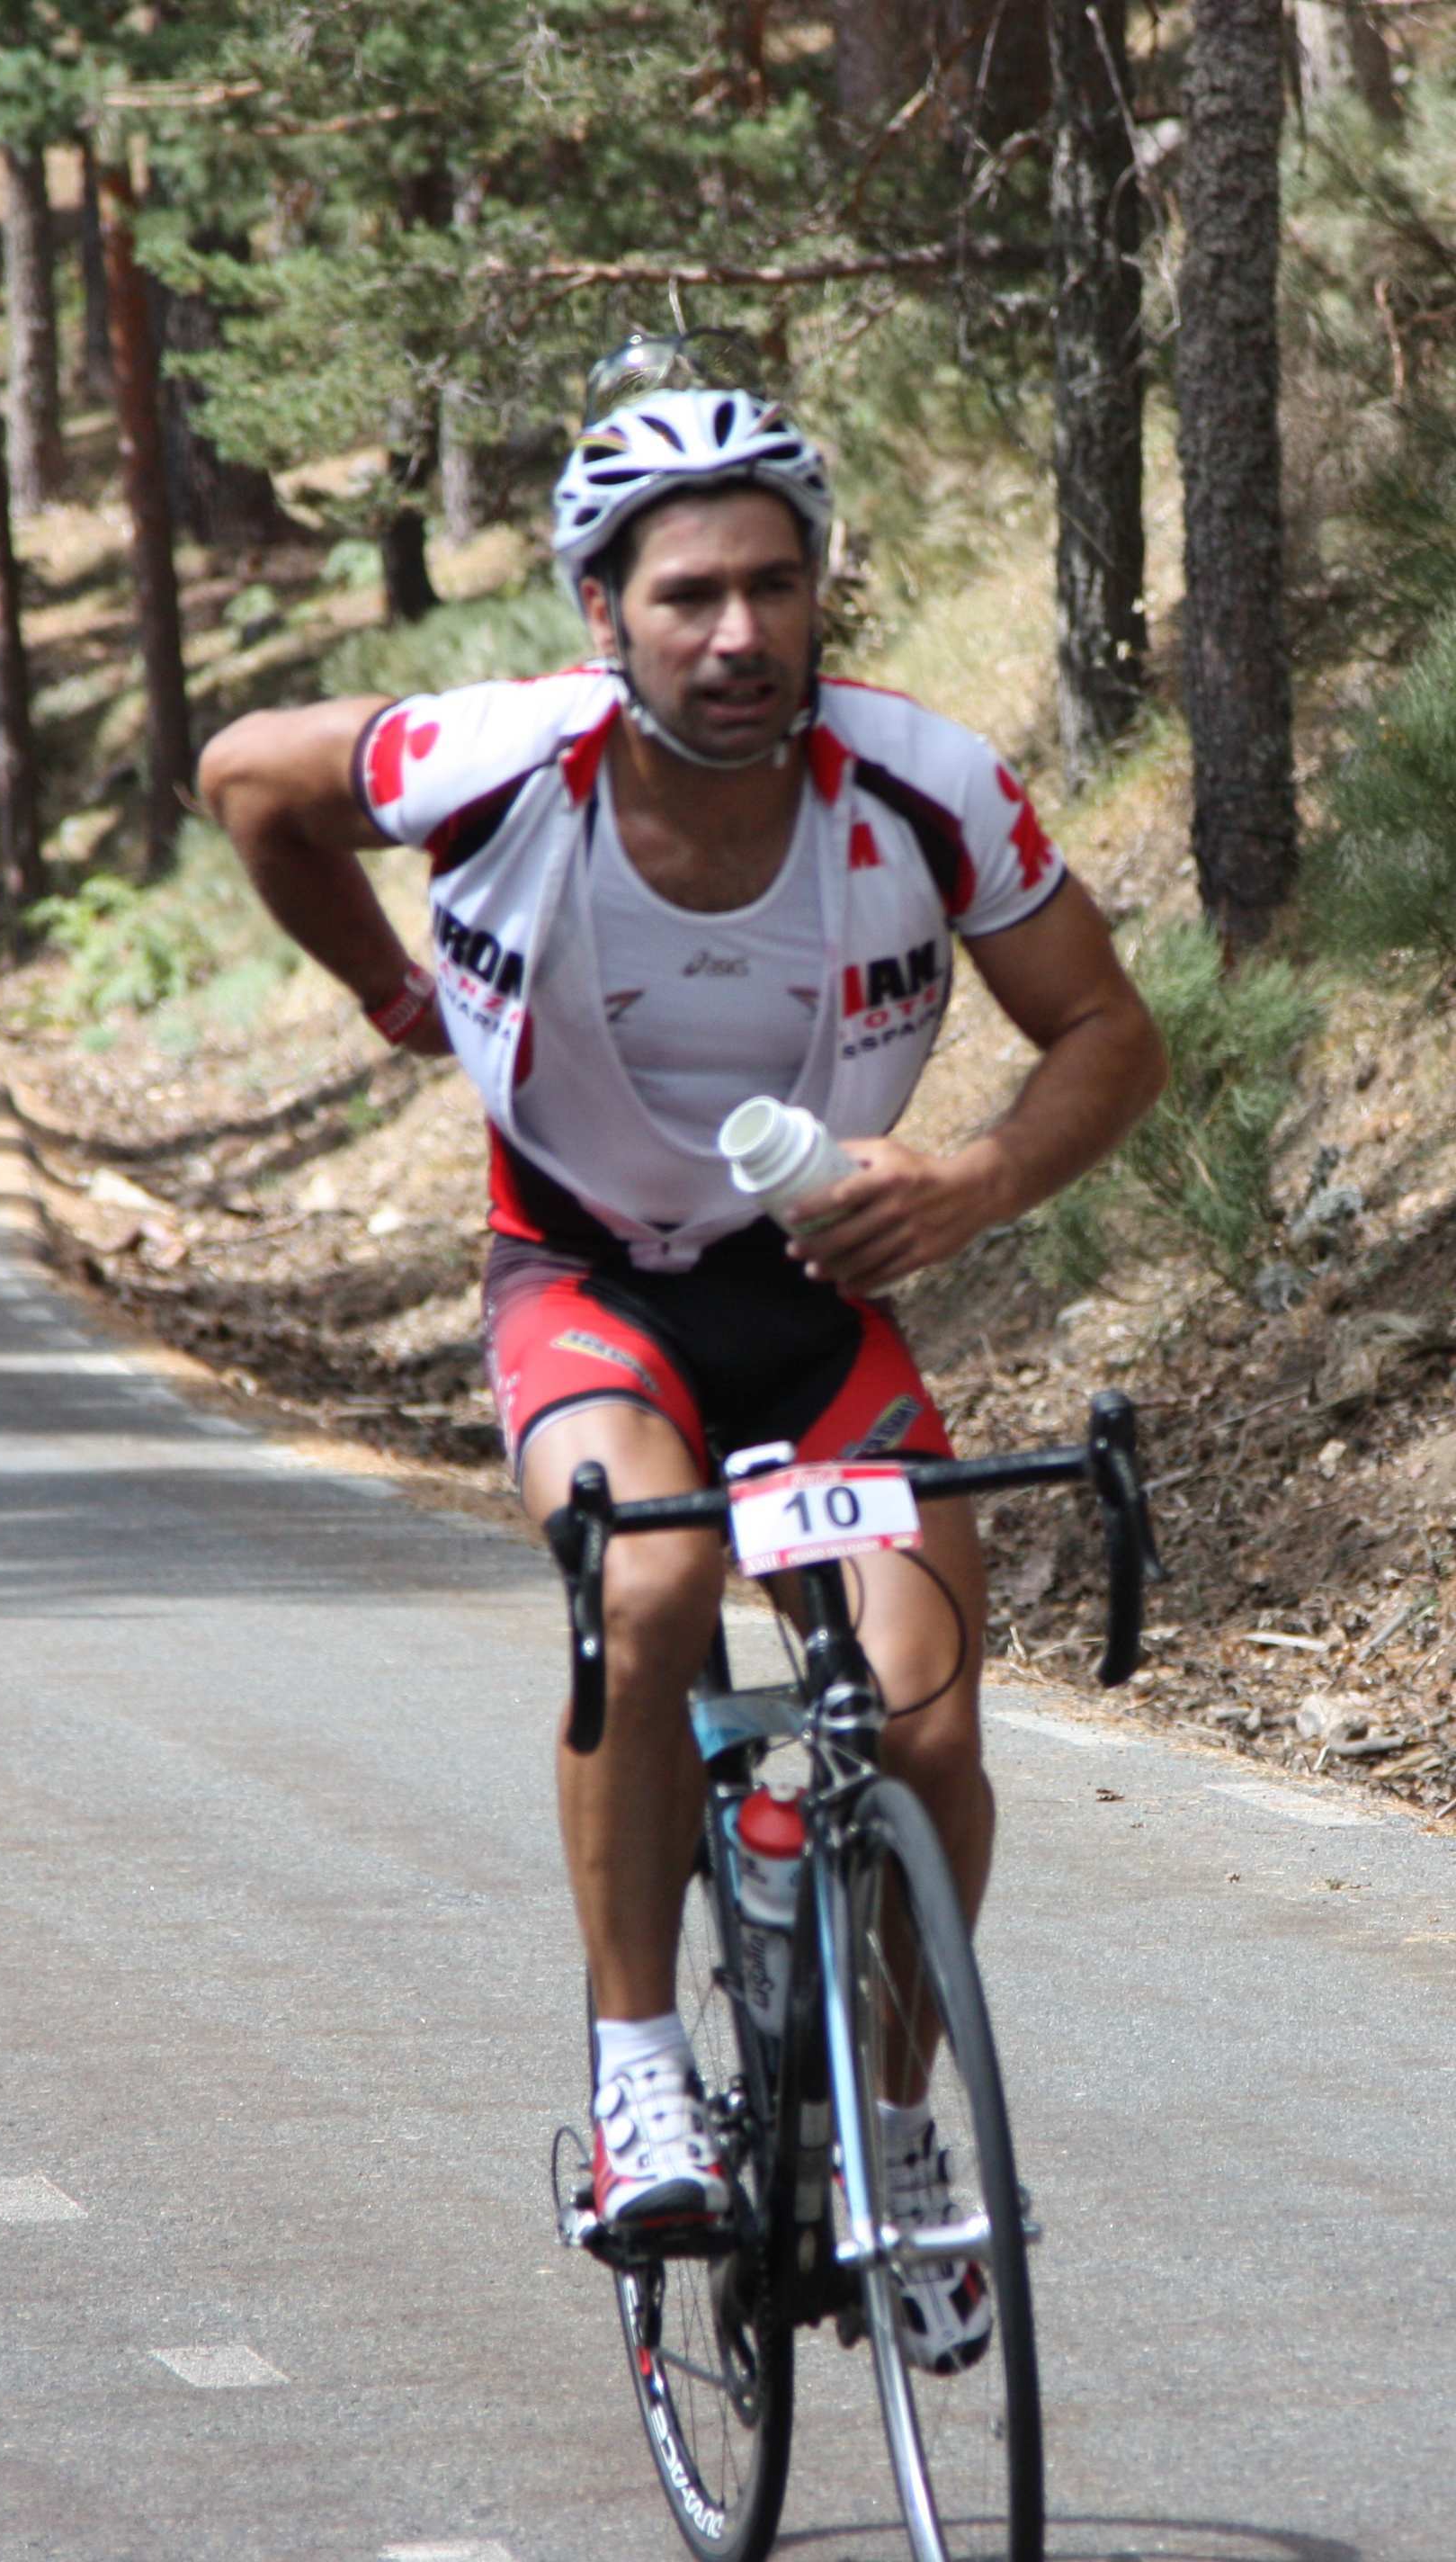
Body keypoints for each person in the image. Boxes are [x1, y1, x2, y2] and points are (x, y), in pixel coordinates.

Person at [195, 382, 1165, 2362]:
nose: (739, 634)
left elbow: (1109, 1035)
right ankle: (638, 2061)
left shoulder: (923, 787)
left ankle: (895, 2123)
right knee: (648, 1585)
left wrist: (973, 1180)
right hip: (583, 1286)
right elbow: (246, 778)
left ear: (821, 596)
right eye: (689, 595)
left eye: (774, 587)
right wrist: (385, 985)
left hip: (809, 1306)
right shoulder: (497, 762)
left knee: (929, 1730)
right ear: (602, 612)